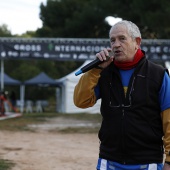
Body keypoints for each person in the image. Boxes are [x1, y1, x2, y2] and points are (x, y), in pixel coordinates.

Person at [73, 20, 170, 170]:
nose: (116, 44)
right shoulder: (102, 73)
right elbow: (81, 101)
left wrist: (169, 161)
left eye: (122, 38)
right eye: (112, 40)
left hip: (147, 162)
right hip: (109, 160)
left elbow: (169, 122)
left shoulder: (158, 74)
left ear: (137, 42)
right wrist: (95, 70)